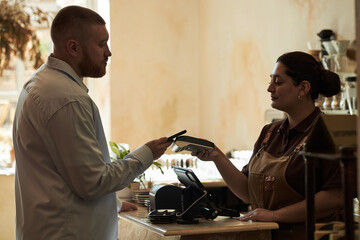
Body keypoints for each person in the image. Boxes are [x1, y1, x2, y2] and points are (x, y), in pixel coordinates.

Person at [12, 5, 171, 240]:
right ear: (73, 47)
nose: (108, 52)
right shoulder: (66, 98)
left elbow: (64, 170)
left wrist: (112, 203)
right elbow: (92, 182)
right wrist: (146, 154)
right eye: (101, 44)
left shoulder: (41, 83)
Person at [192, 51, 343, 240]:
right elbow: (249, 193)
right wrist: (217, 156)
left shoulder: (330, 132)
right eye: (271, 81)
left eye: (278, 82)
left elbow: (335, 198)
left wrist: (274, 216)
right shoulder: (270, 132)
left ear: (303, 88)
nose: (269, 88)